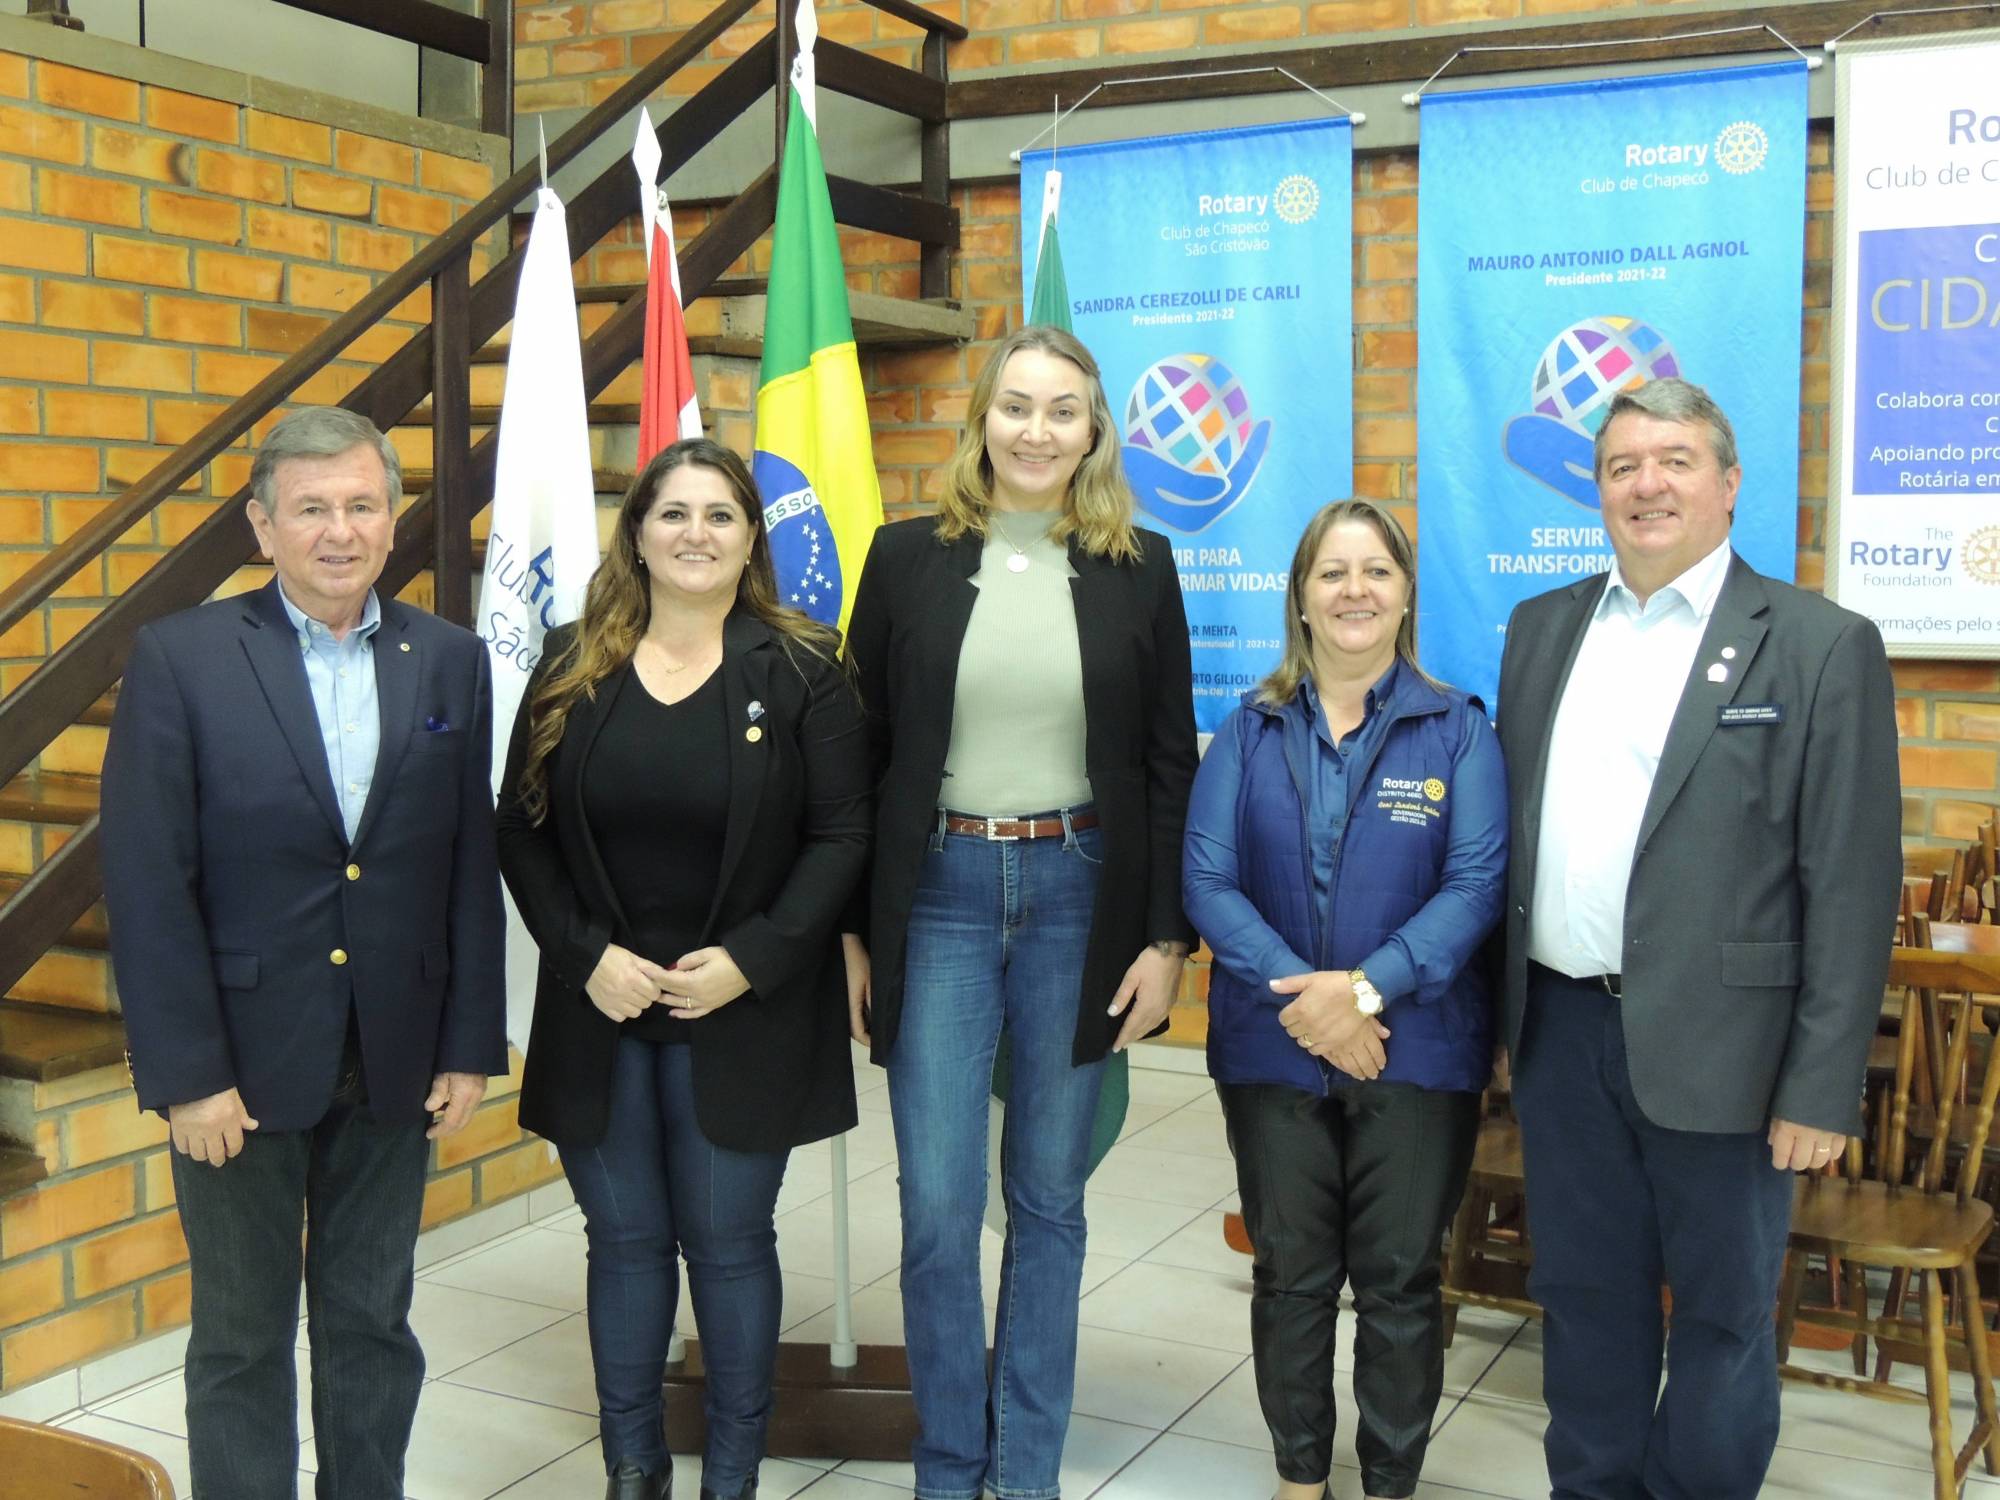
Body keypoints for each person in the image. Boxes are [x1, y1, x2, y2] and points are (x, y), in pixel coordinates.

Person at [1494, 377, 1901, 1500]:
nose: (1646, 483)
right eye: (1621, 465)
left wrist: (1821, 1086)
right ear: (1597, 492)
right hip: (1560, 1033)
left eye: (1673, 460)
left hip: (1733, 1050)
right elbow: (1515, 843)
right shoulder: (1539, 630)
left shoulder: (1819, 645)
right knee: (1581, 1300)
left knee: (1721, 1322)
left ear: (1727, 485)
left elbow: (1851, 881)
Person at [100, 406, 505, 1500]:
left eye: (362, 505)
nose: (340, 530)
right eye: (312, 509)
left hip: (396, 1055)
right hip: (234, 1065)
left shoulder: (448, 660)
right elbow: (146, 884)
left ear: (391, 518)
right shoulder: (183, 658)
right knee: (240, 1335)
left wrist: (468, 1042)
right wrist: (187, 1077)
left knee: (372, 1323)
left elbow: (466, 861)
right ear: (262, 525)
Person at [841, 323, 1198, 1500]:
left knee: (1047, 1199)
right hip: (935, 898)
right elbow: (861, 756)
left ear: (1093, 430)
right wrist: (854, 932)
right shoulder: (902, 559)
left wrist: (1164, 940)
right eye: (1015, 406)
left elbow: (1162, 766)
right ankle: (951, 1467)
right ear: (979, 419)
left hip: (1078, 897)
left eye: (1061, 410)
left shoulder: (1140, 565)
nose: (1035, 430)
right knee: (939, 1207)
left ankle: (1026, 1472)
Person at [496, 437, 867, 1500]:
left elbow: (842, 837)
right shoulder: (571, 662)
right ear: (638, 535)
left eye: (718, 514)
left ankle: (731, 1478)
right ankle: (634, 1468)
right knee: (621, 1243)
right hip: (599, 1007)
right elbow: (517, 829)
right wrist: (583, 957)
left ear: (750, 538)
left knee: (726, 1242)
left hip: (744, 1010)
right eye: (673, 513)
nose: (695, 533)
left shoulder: (801, 669)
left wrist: (750, 963)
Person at [1182, 499, 1506, 1500]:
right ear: (1301, 599)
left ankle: (1387, 1481)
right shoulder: (1248, 728)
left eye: (1374, 571)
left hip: (1418, 1053)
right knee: (1288, 1275)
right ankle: (1296, 1478)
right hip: (1271, 1051)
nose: (1353, 590)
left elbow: (1476, 886)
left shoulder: (1458, 732)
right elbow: (1207, 882)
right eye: (1332, 572)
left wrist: (1364, 992)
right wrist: (1311, 1005)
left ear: (1405, 595)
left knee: (1401, 1282)